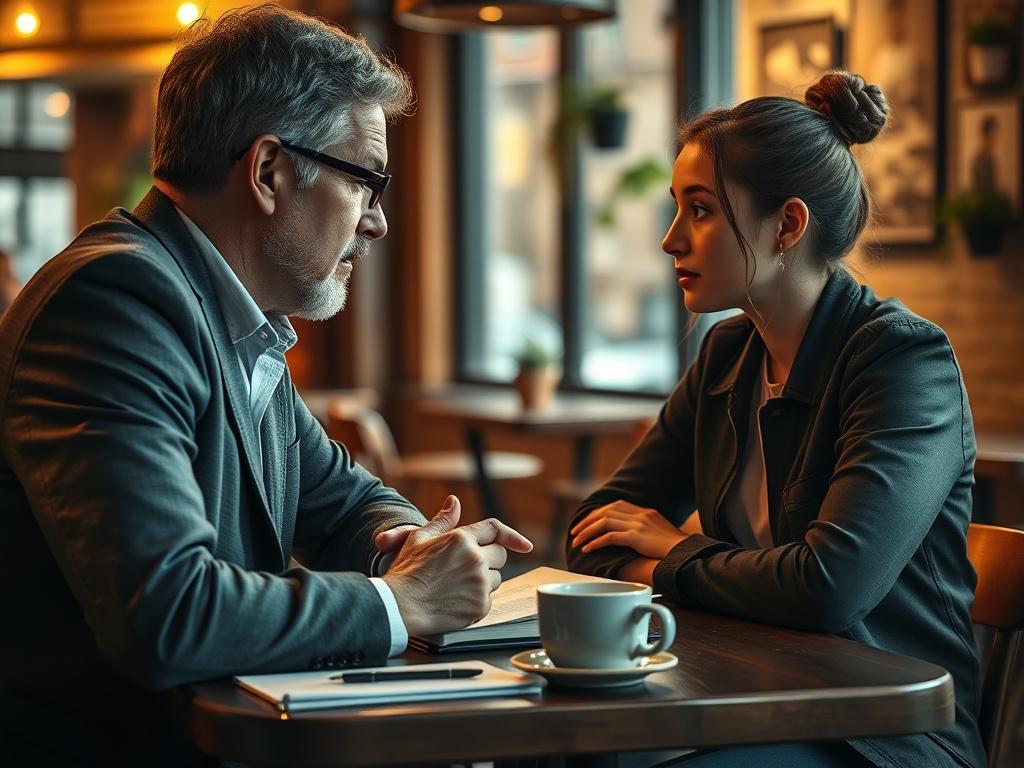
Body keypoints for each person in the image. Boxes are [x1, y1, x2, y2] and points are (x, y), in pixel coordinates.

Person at [0, 6, 531, 766]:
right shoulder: (116, 302)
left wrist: (406, 547)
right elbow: (169, 615)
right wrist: (401, 600)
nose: (376, 223)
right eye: (366, 183)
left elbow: (344, 497)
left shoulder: (231, 317)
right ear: (269, 171)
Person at [567, 71, 984, 768]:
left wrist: (671, 550)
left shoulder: (903, 360)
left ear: (787, 224)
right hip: (745, 701)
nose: (671, 240)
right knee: (572, 752)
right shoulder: (728, 352)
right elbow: (596, 528)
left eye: (699, 210)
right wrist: (676, 554)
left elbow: (828, 589)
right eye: (678, 209)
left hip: (884, 739)